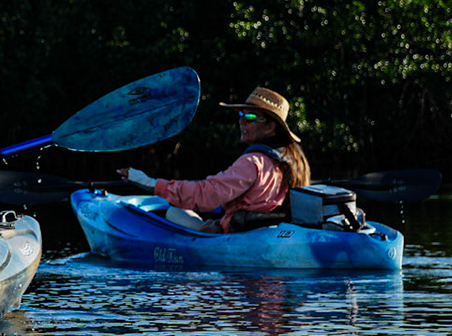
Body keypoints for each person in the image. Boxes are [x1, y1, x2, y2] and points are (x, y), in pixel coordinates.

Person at [117, 85, 311, 232]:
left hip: (238, 233)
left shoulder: (253, 162)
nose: (241, 121)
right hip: (263, 231)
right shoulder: (293, 161)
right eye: (241, 115)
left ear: (270, 127)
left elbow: (205, 195)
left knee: (173, 211)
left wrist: (150, 183)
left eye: (250, 117)